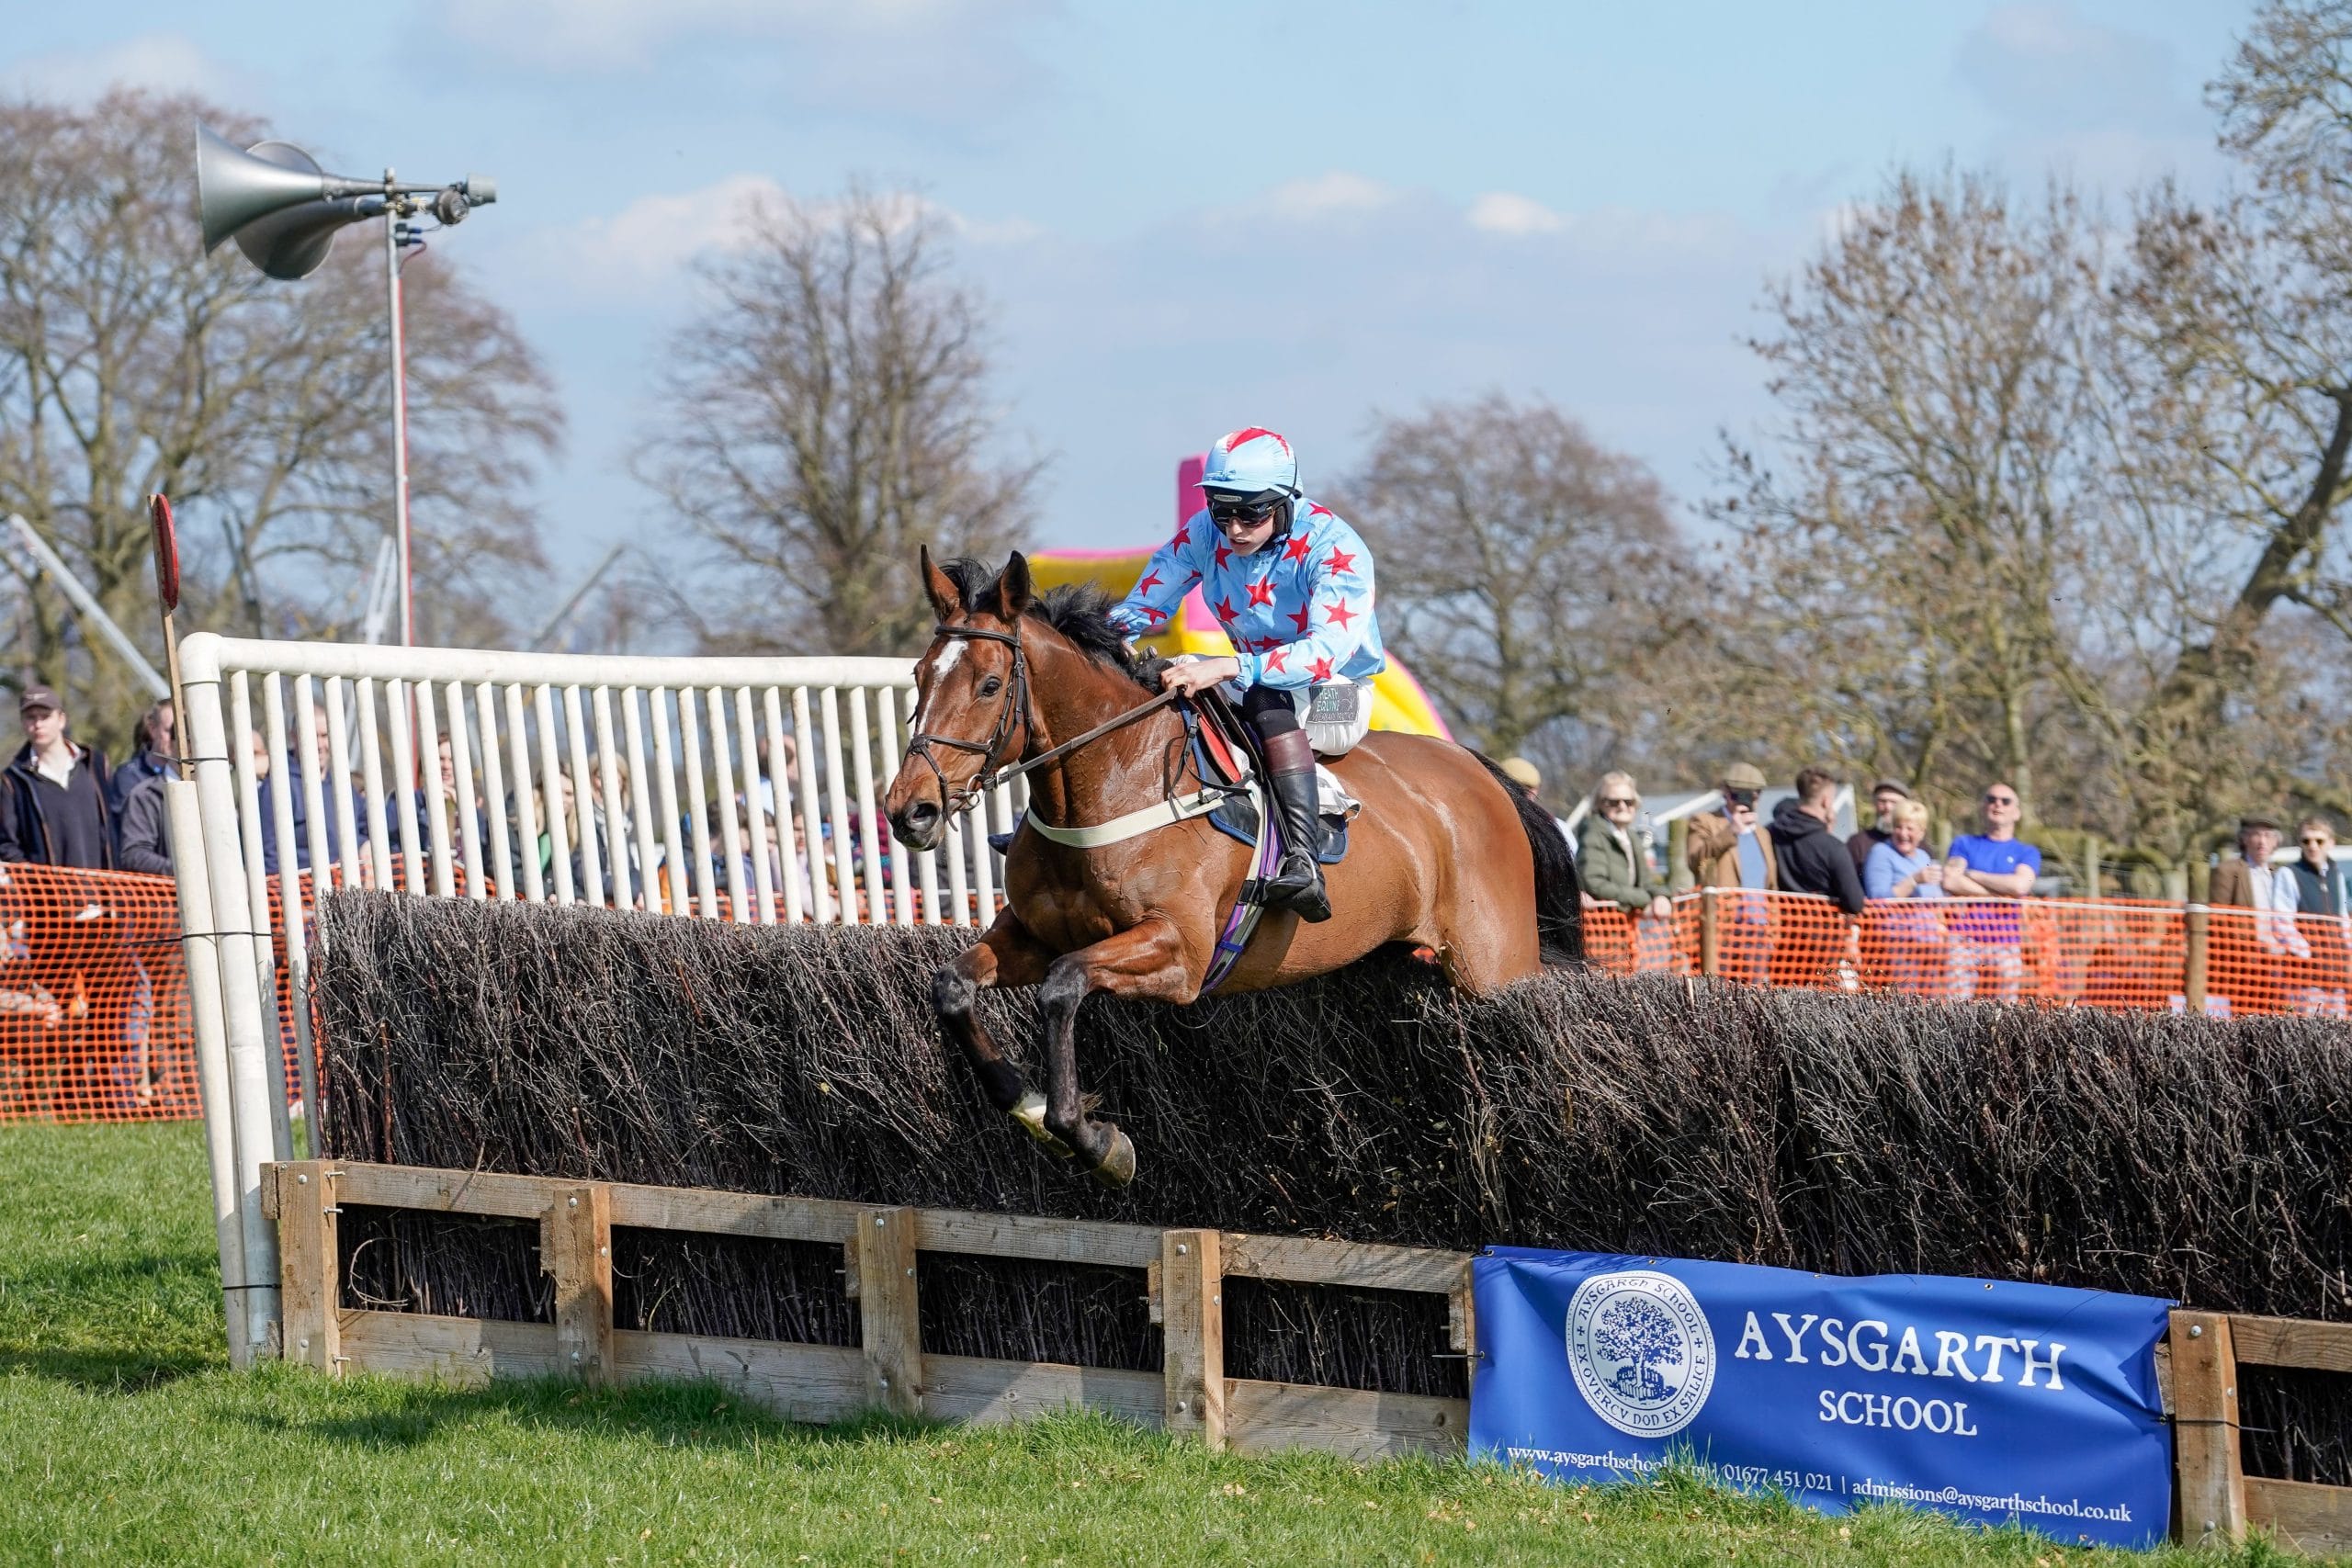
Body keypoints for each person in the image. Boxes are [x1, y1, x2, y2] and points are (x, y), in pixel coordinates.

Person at [1110, 427, 1383, 923]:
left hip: (1339, 693)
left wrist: (1229, 665)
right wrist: (1087, 637)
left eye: (1251, 513)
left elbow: (1324, 654)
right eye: (1222, 512)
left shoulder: (1335, 548)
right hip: (1253, 679)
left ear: (1285, 501)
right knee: (1159, 676)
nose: (1233, 529)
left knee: (1261, 694)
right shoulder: (1204, 533)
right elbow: (1142, 606)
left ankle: (1303, 862)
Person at [1940, 782, 2042, 1003]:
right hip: (1964, 939)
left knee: (2004, 1013)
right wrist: (2001, 891)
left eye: (2005, 801)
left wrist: (1973, 875)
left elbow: (2020, 886)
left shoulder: (2027, 852)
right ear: (1983, 806)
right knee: (1955, 1010)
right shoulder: (1964, 843)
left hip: (2006, 942)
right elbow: (1950, 880)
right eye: (1991, 799)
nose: (1998, 804)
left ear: (2017, 812)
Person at [0, 685, 115, 868]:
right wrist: (33, 879)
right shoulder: (13, 781)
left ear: (61, 720)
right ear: (22, 722)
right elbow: (7, 845)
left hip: (104, 884)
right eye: (31, 717)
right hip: (47, 886)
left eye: (45, 716)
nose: (38, 724)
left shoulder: (96, 765)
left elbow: (117, 826)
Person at [1686, 761, 1777, 985]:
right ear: (1725, 793)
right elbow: (1695, 860)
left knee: (1754, 996)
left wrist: (1773, 928)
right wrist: (1730, 832)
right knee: (1718, 993)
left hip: (1758, 931)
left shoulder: (1763, 834)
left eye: (1752, 795)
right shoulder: (1705, 822)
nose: (1745, 801)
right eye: (1738, 795)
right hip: (1722, 929)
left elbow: (1771, 885)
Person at [2210, 814, 2308, 1010]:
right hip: (2244, 965)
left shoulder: (2279, 873)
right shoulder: (2228, 871)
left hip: (2280, 963)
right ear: (2244, 839)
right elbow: (2218, 919)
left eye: (2268, 836)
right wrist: (2254, 945)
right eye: (2256, 835)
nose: (2262, 842)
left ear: (2276, 842)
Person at [1862, 799, 1947, 994]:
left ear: (1922, 832)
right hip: (1899, 944)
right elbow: (1877, 900)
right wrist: (1913, 881)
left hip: (1929, 944)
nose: (1903, 834)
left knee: (1932, 1001)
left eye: (1910, 829)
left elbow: (1935, 899)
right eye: (1898, 827)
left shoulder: (1924, 857)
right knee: (1906, 1000)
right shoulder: (1881, 853)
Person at [1770, 767, 1867, 918]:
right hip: (1820, 927)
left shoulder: (1770, 833)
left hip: (1779, 923)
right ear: (1826, 801)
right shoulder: (1833, 847)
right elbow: (1854, 903)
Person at [2286, 818, 2349, 1015]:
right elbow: (2282, 922)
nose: (2312, 846)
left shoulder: (2336, 875)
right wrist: (2308, 954)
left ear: (2331, 843)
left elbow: (2342, 919)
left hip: (2336, 971)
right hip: (2307, 975)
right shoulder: (2289, 874)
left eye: (2319, 841)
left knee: (2339, 1026)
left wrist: (2346, 952)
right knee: (2309, 1025)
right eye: (2306, 841)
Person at [108, 699, 174, 819]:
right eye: (171, 731)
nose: (177, 738)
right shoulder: (129, 777)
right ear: (153, 729)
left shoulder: (194, 775)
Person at [1500, 756, 1573, 845]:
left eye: (1529, 788)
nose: (1525, 793)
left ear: (1536, 790)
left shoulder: (1557, 828)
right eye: (1517, 787)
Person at [1847, 778, 1909, 872]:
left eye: (1894, 802)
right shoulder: (1858, 843)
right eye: (1882, 801)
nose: (1888, 807)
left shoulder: (1916, 846)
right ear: (1874, 804)